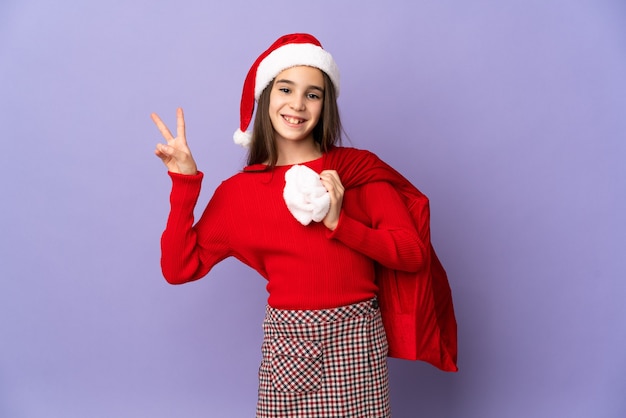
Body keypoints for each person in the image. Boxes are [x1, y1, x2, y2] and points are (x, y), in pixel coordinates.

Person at [152, 33, 457, 418]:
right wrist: (184, 184)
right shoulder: (238, 194)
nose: (297, 104)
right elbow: (179, 268)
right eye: (285, 89)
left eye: (313, 94)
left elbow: (413, 254)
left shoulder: (356, 172)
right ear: (266, 97)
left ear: (325, 105)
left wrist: (340, 223)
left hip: (356, 344)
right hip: (288, 348)